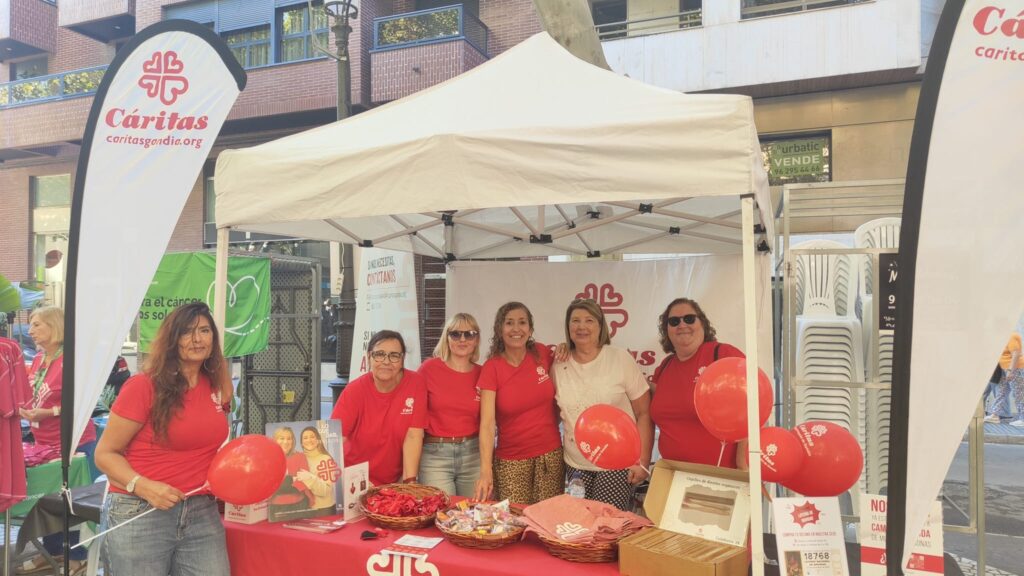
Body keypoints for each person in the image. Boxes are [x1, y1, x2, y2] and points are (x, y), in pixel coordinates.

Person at [96, 302, 233, 576]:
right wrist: (144, 486)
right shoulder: (143, 386)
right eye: (187, 332)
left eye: (205, 331)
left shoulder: (218, 384)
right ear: (172, 339)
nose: (198, 339)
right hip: (141, 510)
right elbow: (104, 454)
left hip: (200, 510)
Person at [17, 306, 97, 576]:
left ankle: (77, 557)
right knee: (49, 500)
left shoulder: (72, 360)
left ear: (55, 327)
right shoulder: (40, 359)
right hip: (43, 442)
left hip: (73, 441)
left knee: (71, 501)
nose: (31, 331)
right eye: (30, 325)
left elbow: (85, 402)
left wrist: (49, 412)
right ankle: (52, 553)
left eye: (37, 325)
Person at [552, 299, 653, 511]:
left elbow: (644, 412)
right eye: (575, 321)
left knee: (606, 528)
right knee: (579, 526)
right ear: (567, 327)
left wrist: (642, 460)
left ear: (600, 326)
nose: (582, 327)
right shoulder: (558, 364)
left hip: (616, 465)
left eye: (589, 320)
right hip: (575, 465)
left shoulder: (619, 358)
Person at [474, 302, 563, 504]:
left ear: (530, 329)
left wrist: (565, 347)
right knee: (514, 524)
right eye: (509, 323)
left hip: (550, 457)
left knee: (548, 523)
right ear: (499, 329)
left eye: (522, 323)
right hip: (512, 461)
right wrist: (486, 471)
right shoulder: (492, 367)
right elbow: (487, 425)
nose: (516, 329)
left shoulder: (542, 354)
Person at [649, 298, 748, 469]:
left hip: (720, 475)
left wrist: (743, 463)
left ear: (702, 323)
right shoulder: (665, 366)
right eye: (673, 321)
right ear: (667, 330)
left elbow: (752, 407)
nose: (681, 325)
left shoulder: (723, 354)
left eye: (689, 318)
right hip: (673, 474)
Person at [331, 330, 426, 487]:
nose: (386, 361)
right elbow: (335, 440)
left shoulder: (416, 383)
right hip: (355, 479)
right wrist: (352, 480)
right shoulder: (354, 390)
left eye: (394, 355)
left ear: (403, 359)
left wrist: (410, 482)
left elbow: (413, 435)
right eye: (379, 354)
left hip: (394, 482)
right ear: (369, 357)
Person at [418, 313, 483, 497]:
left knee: (474, 516)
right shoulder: (428, 369)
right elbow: (413, 419)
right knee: (442, 514)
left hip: (473, 454)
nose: (462, 339)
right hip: (435, 455)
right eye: (455, 334)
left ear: (476, 339)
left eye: (469, 334)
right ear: (446, 337)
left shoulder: (483, 373)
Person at [295, 426, 340, 509]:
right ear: (301, 442)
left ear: (318, 440)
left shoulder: (326, 459)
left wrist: (310, 478)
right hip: (305, 508)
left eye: (312, 437)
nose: (309, 440)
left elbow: (326, 491)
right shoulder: (299, 459)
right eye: (305, 438)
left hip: (324, 509)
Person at [987, 333, 1024, 426]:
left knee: (1019, 393)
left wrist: (1011, 370)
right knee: (1001, 391)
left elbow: (1016, 353)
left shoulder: (1011, 335)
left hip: (1015, 368)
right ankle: (995, 415)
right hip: (1004, 368)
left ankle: (1023, 418)